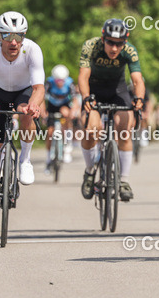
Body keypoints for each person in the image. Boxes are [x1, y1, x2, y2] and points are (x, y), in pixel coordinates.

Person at [0, 11, 45, 230]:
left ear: (24, 37)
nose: (13, 42)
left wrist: (34, 104)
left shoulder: (32, 50)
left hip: (23, 91)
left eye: (19, 36)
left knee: (26, 113)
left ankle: (25, 159)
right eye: (7, 36)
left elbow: (38, 88)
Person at [78, 18, 145, 203]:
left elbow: (138, 80)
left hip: (118, 90)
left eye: (119, 44)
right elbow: (83, 77)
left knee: (124, 128)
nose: (114, 48)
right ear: (103, 38)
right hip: (94, 91)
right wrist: (85, 98)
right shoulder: (91, 46)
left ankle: (123, 181)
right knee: (91, 130)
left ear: (125, 41)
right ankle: (90, 171)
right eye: (110, 42)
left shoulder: (130, 50)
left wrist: (139, 99)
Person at [44, 64, 76, 172]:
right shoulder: (49, 83)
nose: (60, 83)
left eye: (62, 80)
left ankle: (67, 147)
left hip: (64, 106)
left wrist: (72, 112)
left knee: (66, 115)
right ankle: (49, 159)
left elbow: (75, 100)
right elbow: (42, 99)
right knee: (49, 133)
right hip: (52, 107)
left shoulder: (70, 83)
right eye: (57, 80)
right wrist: (43, 113)